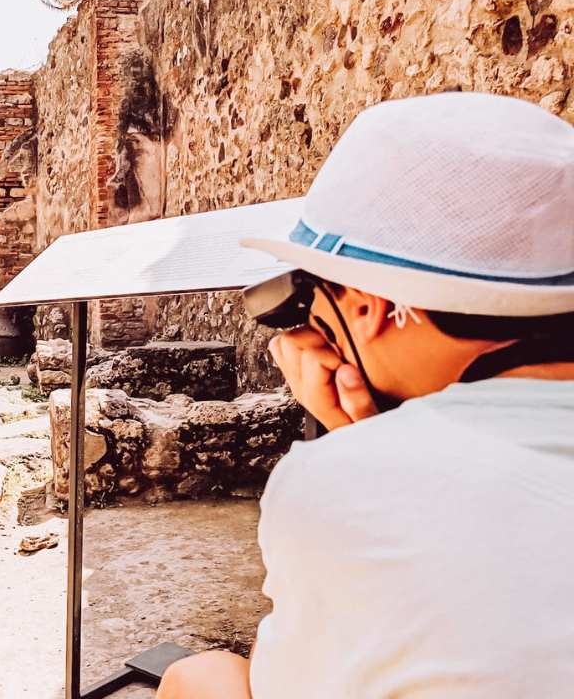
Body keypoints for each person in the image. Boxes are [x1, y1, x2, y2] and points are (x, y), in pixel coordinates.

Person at [157, 92, 574, 698]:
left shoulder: (340, 482)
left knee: (200, 677)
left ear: (367, 305)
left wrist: (357, 449)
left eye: (308, 300)